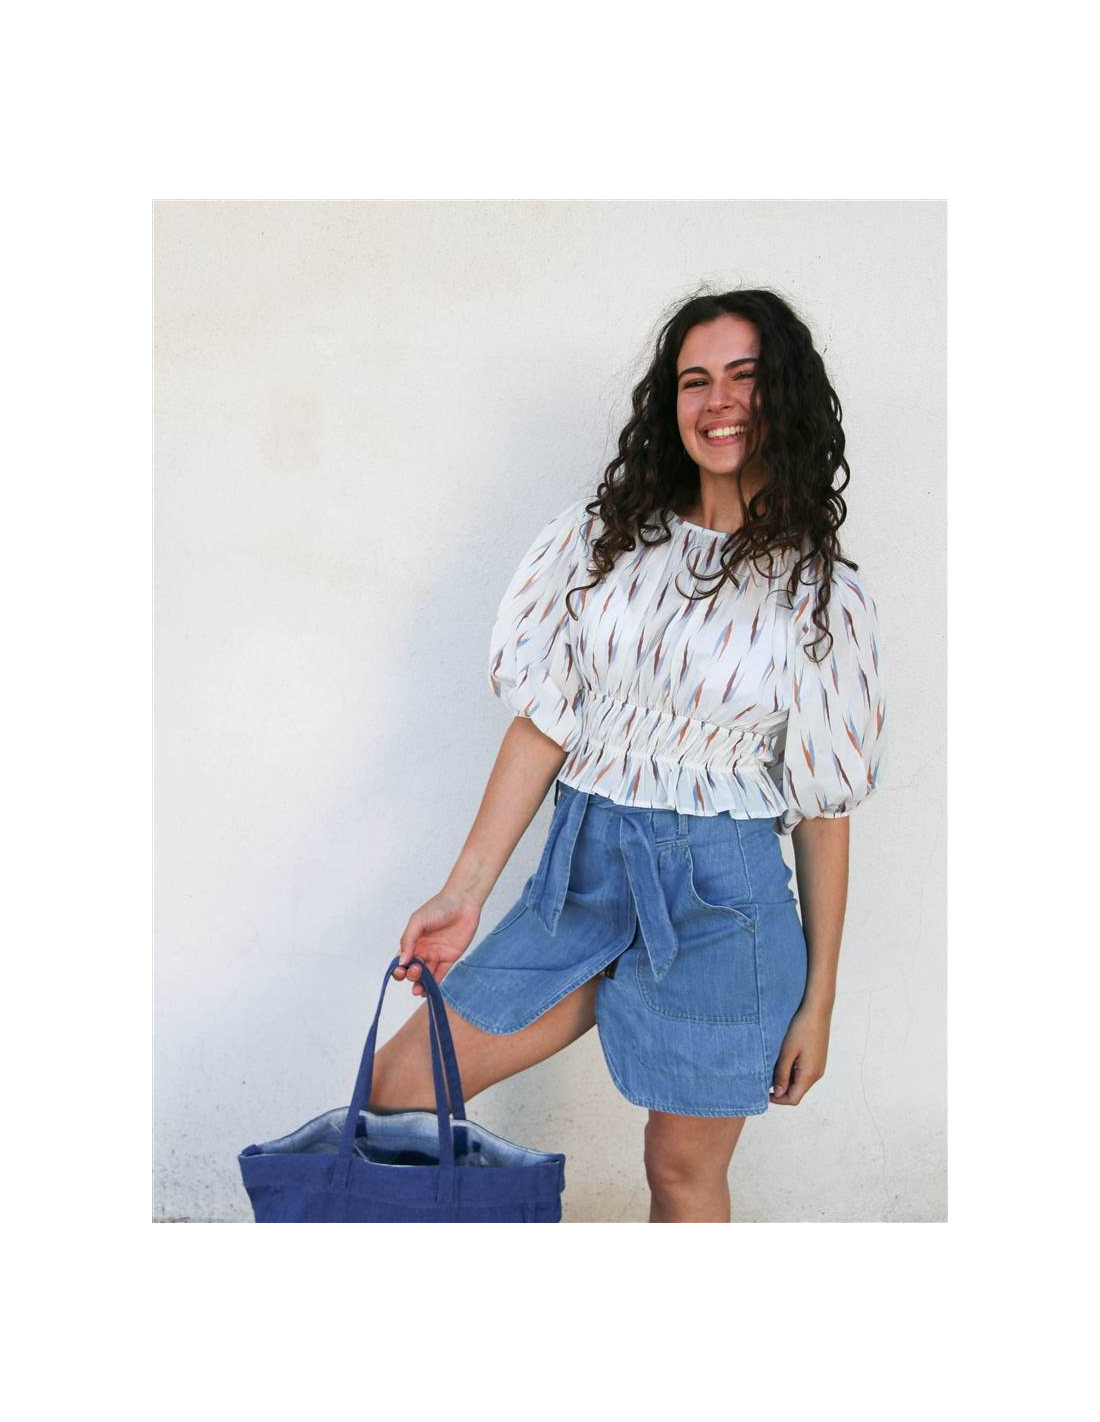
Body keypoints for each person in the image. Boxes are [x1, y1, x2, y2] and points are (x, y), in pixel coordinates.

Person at [369, 287, 888, 1223]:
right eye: (695, 380)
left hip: (723, 908)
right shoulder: (601, 541)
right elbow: (545, 725)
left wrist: (820, 1001)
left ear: (785, 396)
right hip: (580, 881)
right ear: (670, 402)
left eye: (744, 377)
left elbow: (823, 810)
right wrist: (463, 892)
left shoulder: (823, 597)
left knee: (680, 1173)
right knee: (403, 1087)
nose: (718, 401)